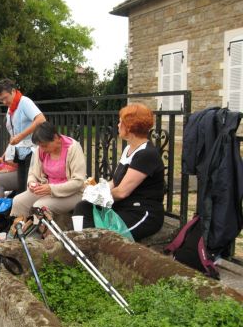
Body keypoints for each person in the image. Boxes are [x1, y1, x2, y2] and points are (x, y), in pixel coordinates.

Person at [73, 103, 165, 241]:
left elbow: (122, 192)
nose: (117, 125)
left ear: (130, 126)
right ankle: (81, 243)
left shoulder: (146, 154)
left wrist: (98, 196)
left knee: (107, 237)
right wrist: (96, 190)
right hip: (122, 206)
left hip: (141, 213)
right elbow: (115, 182)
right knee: (83, 207)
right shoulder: (128, 149)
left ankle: (90, 247)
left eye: (120, 122)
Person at [10, 122, 86, 220]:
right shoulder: (41, 149)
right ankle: (21, 229)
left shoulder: (73, 148)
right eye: (40, 146)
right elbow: (33, 173)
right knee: (18, 201)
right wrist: (32, 183)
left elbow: (78, 182)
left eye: (45, 146)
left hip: (74, 193)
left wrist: (51, 188)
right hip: (47, 189)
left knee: (40, 206)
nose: (42, 149)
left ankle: (39, 233)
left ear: (55, 138)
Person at [0, 79, 46, 193]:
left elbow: (41, 119)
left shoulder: (24, 102)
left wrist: (21, 136)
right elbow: (13, 138)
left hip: (32, 151)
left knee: (29, 187)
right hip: (20, 153)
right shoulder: (11, 108)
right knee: (22, 187)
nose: (3, 102)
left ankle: (29, 210)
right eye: (1, 100)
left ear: (13, 91)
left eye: (5, 98)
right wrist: (2, 158)